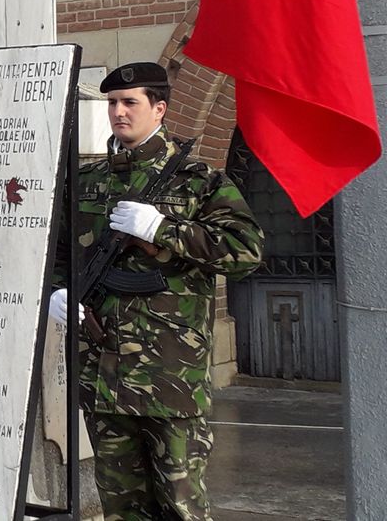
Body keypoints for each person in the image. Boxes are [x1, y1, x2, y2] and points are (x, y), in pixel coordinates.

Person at [50, 62, 264, 521]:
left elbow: (245, 252)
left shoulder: (199, 180)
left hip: (170, 377)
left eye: (130, 103)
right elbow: (61, 254)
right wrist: (58, 294)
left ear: (160, 109)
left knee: (181, 507)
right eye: (112, 103)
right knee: (123, 509)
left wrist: (164, 229)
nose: (119, 112)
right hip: (103, 374)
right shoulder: (86, 182)